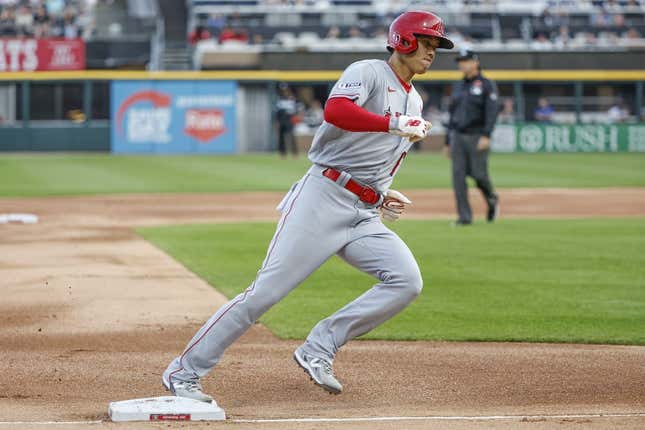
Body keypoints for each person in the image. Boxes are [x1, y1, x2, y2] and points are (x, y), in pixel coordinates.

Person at [162, 10, 453, 402]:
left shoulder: (414, 101)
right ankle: (184, 372)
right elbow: (336, 111)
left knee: (406, 281)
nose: (432, 51)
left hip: (363, 212)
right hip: (323, 198)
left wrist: (382, 194)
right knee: (265, 293)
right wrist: (391, 123)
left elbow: (377, 157)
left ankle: (319, 347)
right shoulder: (367, 72)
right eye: (427, 42)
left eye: (437, 45)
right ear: (403, 40)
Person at [446, 49, 499, 226]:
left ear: (476, 62)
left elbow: (492, 111)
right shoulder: (458, 85)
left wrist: (486, 135)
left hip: (477, 134)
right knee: (458, 177)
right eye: (460, 61)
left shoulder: (486, 84)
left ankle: (491, 198)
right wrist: (448, 141)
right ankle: (465, 217)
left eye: (466, 60)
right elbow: (452, 114)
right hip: (457, 135)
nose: (462, 64)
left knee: (479, 175)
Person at [275, 84, 299, 157]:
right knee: (281, 137)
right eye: (283, 90)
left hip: (289, 120)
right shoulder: (279, 99)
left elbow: (295, 111)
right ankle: (282, 153)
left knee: (291, 136)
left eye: (285, 90)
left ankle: (294, 152)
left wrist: (294, 119)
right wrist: (277, 121)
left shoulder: (292, 99)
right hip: (282, 119)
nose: (284, 92)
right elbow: (277, 112)